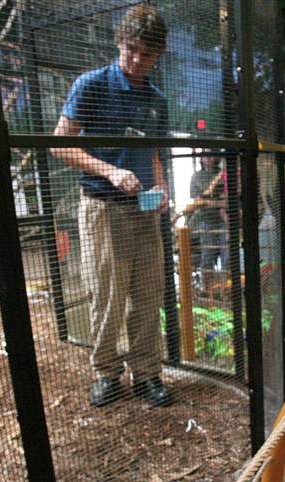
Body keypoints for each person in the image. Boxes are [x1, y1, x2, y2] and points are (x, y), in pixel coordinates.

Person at [51, 5, 174, 408]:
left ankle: (147, 373)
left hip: (144, 210)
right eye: (132, 50)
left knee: (149, 292)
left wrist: (162, 189)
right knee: (107, 293)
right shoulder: (91, 85)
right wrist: (108, 172)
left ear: (158, 55)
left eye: (148, 54)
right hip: (103, 208)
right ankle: (106, 372)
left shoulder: (157, 98)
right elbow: (59, 143)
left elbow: (154, 155)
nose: (138, 60)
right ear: (120, 43)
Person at [187, 152, 227, 271]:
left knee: (227, 256)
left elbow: (229, 198)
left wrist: (209, 202)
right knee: (207, 255)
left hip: (224, 220)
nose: (208, 159)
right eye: (205, 156)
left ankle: (228, 287)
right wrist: (217, 202)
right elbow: (197, 200)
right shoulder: (196, 176)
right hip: (205, 220)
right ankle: (207, 287)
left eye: (210, 155)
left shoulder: (223, 173)